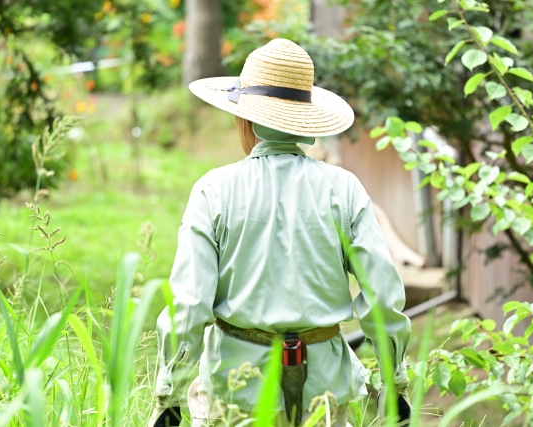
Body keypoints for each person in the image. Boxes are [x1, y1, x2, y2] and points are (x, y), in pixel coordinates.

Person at [149, 38, 411, 427]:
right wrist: (394, 384)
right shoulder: (344, 188)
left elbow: (189, 307)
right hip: (323, 397)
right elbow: (383, 297)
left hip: (234, 393)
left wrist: (169, 397)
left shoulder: (214, 190)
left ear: (244, 119)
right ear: (304, 120)